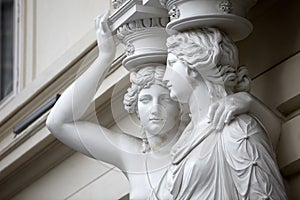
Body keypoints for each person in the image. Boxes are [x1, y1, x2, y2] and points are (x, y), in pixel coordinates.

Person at [46, 12, 282, 199]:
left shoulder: (199, 141)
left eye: (165, 98)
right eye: (145, 100)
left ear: (180, 106)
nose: (154, 108)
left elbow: (267, 141)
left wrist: (250, 103)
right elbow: (59, 122)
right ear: (135, 108)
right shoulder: (134, 155)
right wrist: (105, 58)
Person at [163, 28, 287, 199]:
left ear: (192, 67)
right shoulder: (186, 138)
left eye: (171, 64)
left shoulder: (236, 129)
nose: (165, 77)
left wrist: (250, 102)